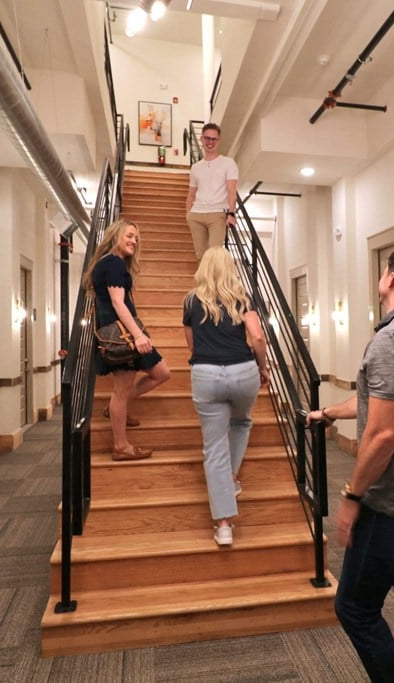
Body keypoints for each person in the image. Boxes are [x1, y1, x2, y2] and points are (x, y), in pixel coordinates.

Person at [306, 244, 394, 682]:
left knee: (355, 608)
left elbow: (384, 434)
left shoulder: (391, 341)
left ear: (389, 279)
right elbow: (380, 405)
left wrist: (352, 495)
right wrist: (328, 412)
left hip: (393, 502)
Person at [183, 247, 270, 546]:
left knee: (214, 447)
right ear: (231, 268)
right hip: (243, 371)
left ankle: (224, 526)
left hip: (205, 373)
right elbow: (257, 337)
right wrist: (264, 368)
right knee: (242, 421)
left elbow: (191, 344)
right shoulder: (243, 297)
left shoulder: (191, 300)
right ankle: (230, 479)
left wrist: (208, 359)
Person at [84, 218, 171, 461]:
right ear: (116, 236)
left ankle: (113, 411)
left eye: (136, 238)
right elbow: (117, 303)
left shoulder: (111, 263)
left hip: (121, 333)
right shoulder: (113, 263)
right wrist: (138, 334)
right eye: (129, 236)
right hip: (122, 337)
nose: (134, 241)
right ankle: (121, 446)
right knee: (121, 391)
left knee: (161, 372)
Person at [186, 123, 238, 259]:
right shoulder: (196, 167)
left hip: (217, 215)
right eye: (207, 138)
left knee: (215, 257)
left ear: (218, 140)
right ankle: (202, 282)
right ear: (202, 139)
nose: (210, 142)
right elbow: (191, 194)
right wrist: (188, 214)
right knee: (200, 257)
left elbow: (232, 190)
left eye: (214, 139)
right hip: (196, 215)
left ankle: (214, 281)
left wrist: (231, 213)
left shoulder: (228, 163)